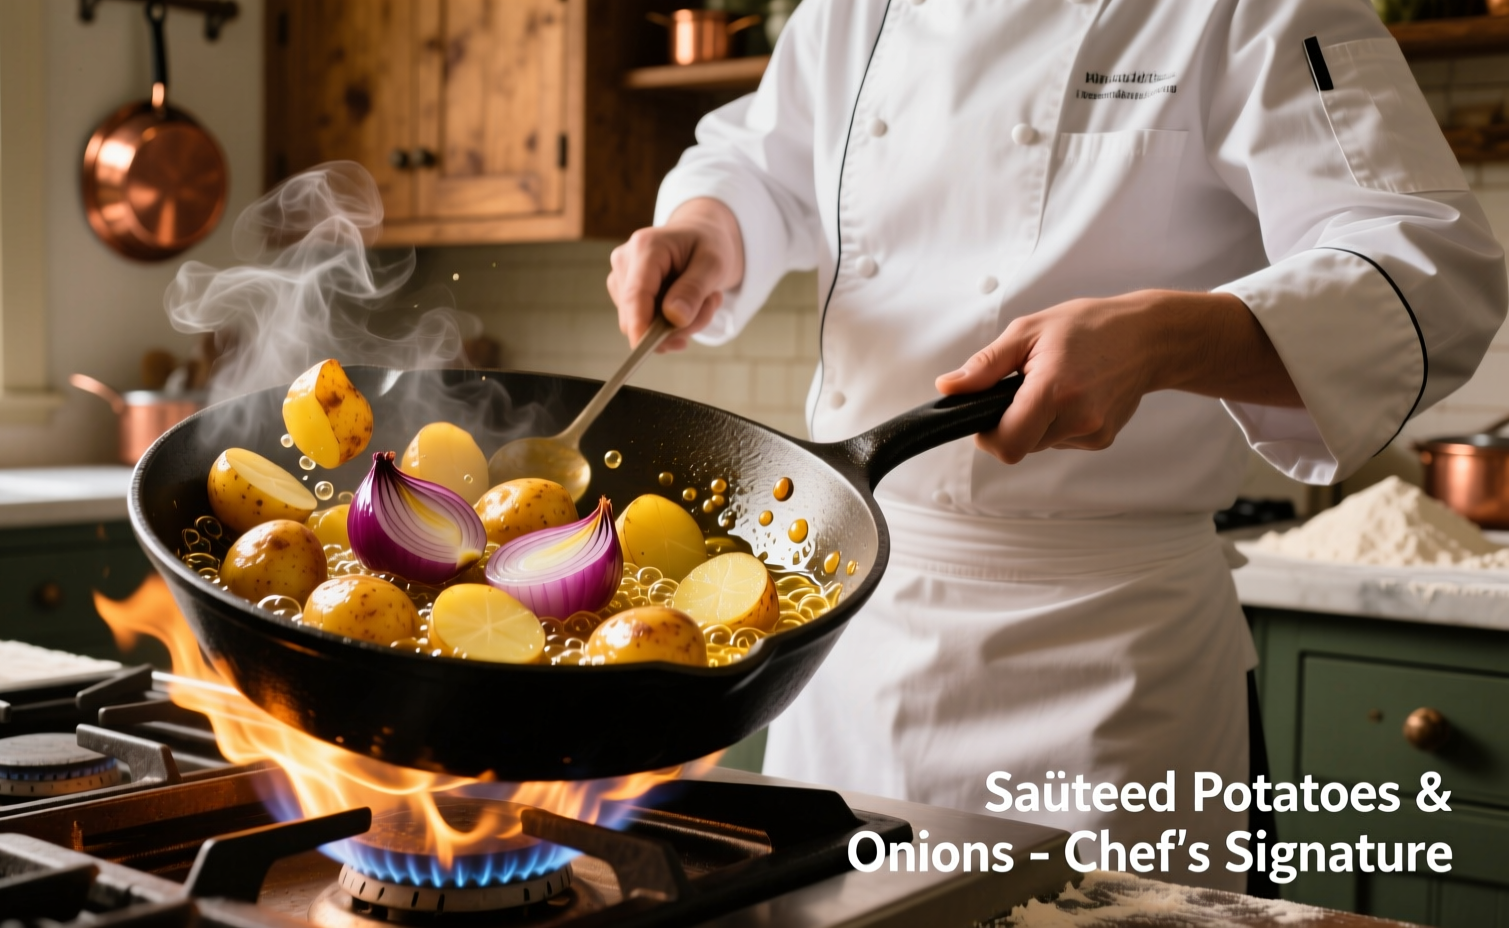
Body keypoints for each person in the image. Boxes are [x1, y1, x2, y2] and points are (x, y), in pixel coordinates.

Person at [604, 0, 1506, 891]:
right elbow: (764, 162)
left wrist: (1164, 339)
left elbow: (1433, 271)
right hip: (858, 646)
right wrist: (708, 227)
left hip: (1105, 663)